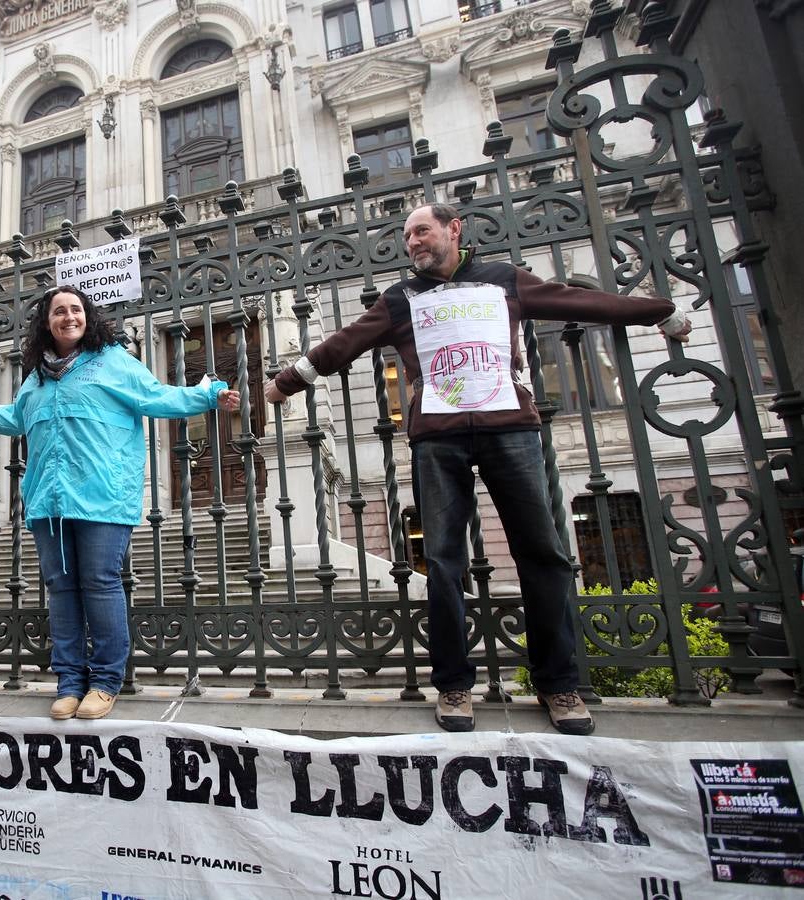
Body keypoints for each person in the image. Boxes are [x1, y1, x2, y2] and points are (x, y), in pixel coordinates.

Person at [265, 202, 692, 735]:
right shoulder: (401, 299)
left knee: (544, 554)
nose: (413, 242)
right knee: (442, 561)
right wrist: (284, 384)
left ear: (453, 230)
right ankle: (454, 685)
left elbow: (577, 300)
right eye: (406, 236)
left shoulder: (503, 280)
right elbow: (344, 343)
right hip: (437, 442)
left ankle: (558, 685)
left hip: (510, 430)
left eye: (422, 231)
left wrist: (658, 310)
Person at [0, 286, 241, 721]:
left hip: (102, 496)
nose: (68, 317)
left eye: (75, 309)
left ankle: (106, 681)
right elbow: (18, 415)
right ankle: (70, 681)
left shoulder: (113, 362)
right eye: (59, 311)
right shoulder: (35, 376)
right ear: (46, 321)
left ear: (87, 316)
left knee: (100, 582)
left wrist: (208, 396)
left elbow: (156, 396)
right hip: (48, 501)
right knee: (61, 589)